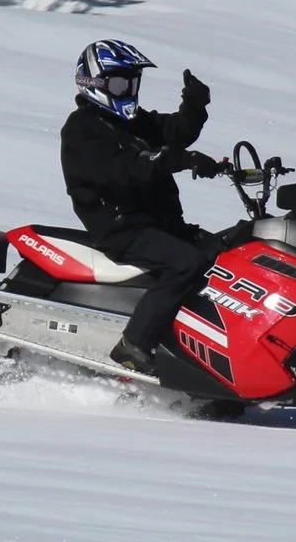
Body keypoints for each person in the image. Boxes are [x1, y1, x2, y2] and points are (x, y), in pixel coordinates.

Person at [61, 39, 229, 372]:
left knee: (224, 253)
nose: (128, 92)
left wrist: (194, 105)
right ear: (94, 84)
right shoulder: (81, 130)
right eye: (120, 85)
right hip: (123, 229)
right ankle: (134, 344)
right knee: (185, 263)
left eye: (132, 84)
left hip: (156, 223)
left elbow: (172, 132)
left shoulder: (130, 123)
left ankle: (211, 348)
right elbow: (124, 169)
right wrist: (176, 160)